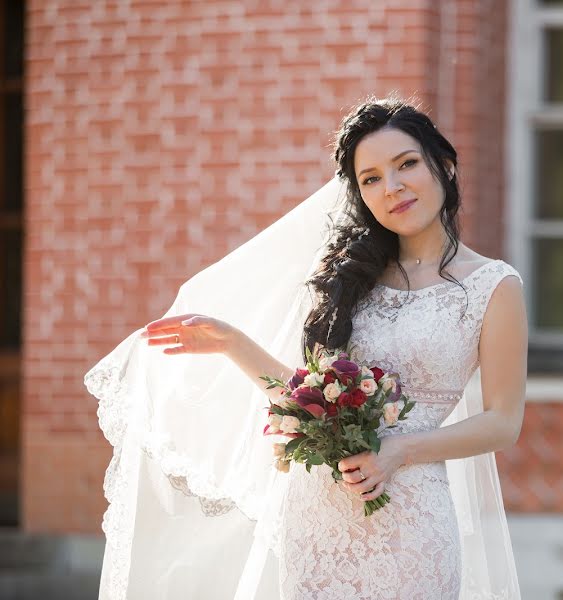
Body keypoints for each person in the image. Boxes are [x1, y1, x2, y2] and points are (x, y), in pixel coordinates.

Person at [85, 98, 527, 599]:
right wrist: (231, 343)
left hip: (411, 517)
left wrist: (397, 451)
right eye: (372, 178)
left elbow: (503, 421)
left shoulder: (493, 285)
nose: (393, 187)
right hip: (319, 512)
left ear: (442, 167)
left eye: (406, 164)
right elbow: (309, 398)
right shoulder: (351, 281)